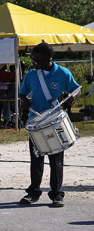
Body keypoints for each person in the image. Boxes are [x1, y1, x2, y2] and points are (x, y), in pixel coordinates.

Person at [18, 42, 80, 207]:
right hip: (36, 122)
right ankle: (33, 193)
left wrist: (73, 98)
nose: (34, 64)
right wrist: (24, 102)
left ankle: (56, 194)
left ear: (48, 60)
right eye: (33, 60)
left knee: (56, 160)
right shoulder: (32, 75)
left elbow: (76, 89)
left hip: (55, 121)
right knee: (36, 159)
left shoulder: (62, 73)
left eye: (36, 61)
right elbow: (22, 93)